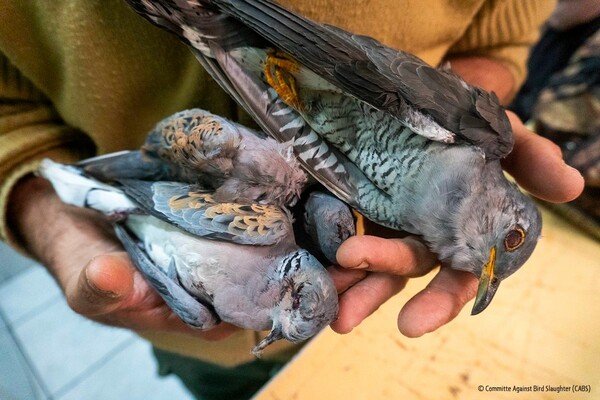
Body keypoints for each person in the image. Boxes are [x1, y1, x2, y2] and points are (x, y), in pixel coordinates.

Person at [0, 1, 584, 399]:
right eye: (504, 242)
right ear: (507, 209)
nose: (480, 265)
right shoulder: (478, 143)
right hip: (297, 61)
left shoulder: (399, 219)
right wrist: (56, 225)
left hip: (315, 292)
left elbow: (501, 45)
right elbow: (351, 69)